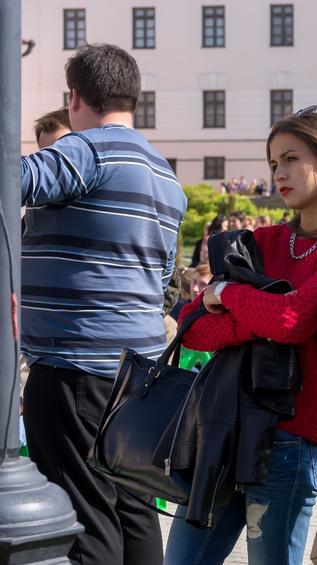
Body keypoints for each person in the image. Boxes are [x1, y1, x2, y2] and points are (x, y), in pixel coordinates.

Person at [164, 106, 317, 565]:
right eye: (273, 162)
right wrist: (257, 309)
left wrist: (228, 293)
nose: (279, 173)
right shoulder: (263, 242)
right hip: (225, 429)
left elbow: (292, 322)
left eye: (291, 159)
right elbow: (193, 327)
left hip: (290, 440)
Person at [19, 43, 187, 565]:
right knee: (133, 507)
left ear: (75, 98)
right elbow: (161, 278)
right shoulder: (166, 176)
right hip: (136, 372)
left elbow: (17, 181)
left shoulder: (87, 150)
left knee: (85, 514)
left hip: (74, 367)